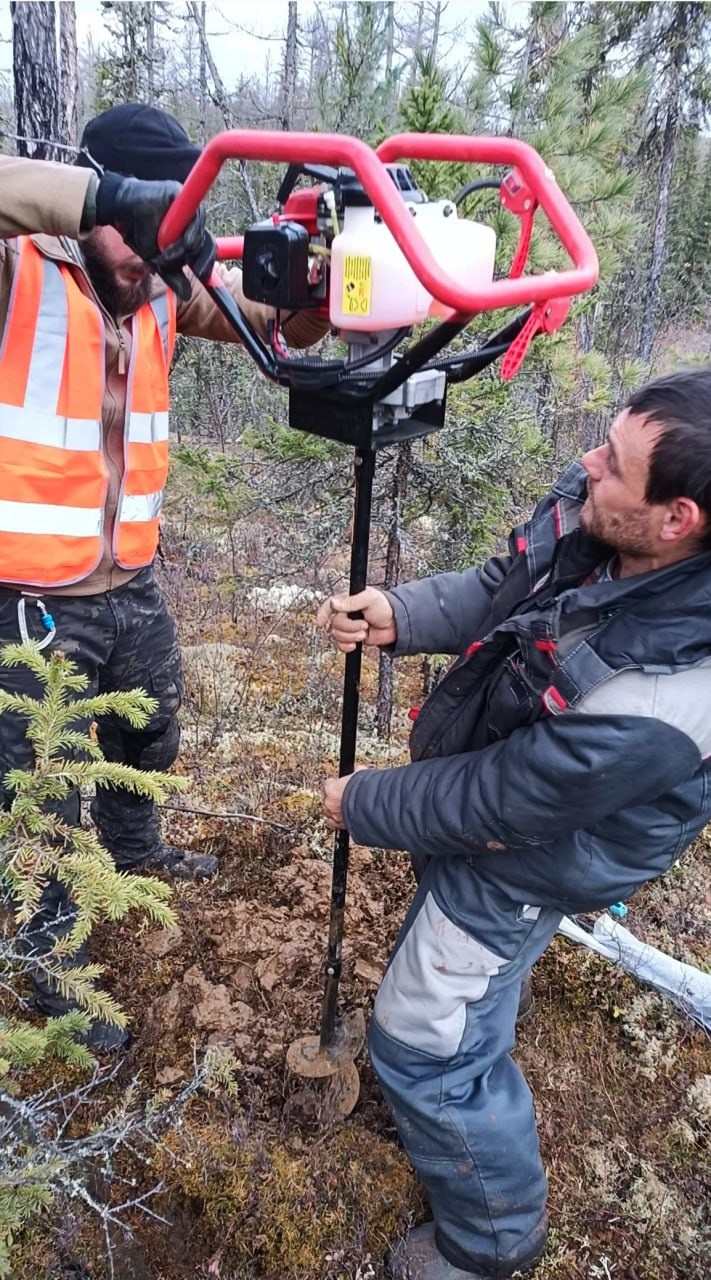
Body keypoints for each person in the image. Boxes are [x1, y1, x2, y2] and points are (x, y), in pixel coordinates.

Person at [318, 365, 711, 1280]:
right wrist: (399, 612)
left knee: (420, 1039)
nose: (585, 465)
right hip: (512, 813)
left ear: (676, 517)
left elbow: (505, 801)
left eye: (611, 463)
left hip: (534, 855)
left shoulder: (665, 693)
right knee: (464, 964)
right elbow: (510, 588)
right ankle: (482, 1008)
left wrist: (366, 802)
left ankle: (492, 1234)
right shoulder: (612, 527)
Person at [0, 103, 323, 1052]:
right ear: (98, 193)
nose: (146, 252)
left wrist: (310, 289)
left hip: (128, 580)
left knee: (151, 727)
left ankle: (137, 855)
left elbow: (278, 329)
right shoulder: (21, 269)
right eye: (138, 227)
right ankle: (52, 963)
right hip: (27, 595)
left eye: (169, 227)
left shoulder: (161, 291)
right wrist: (103, 203)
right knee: (47, 787)